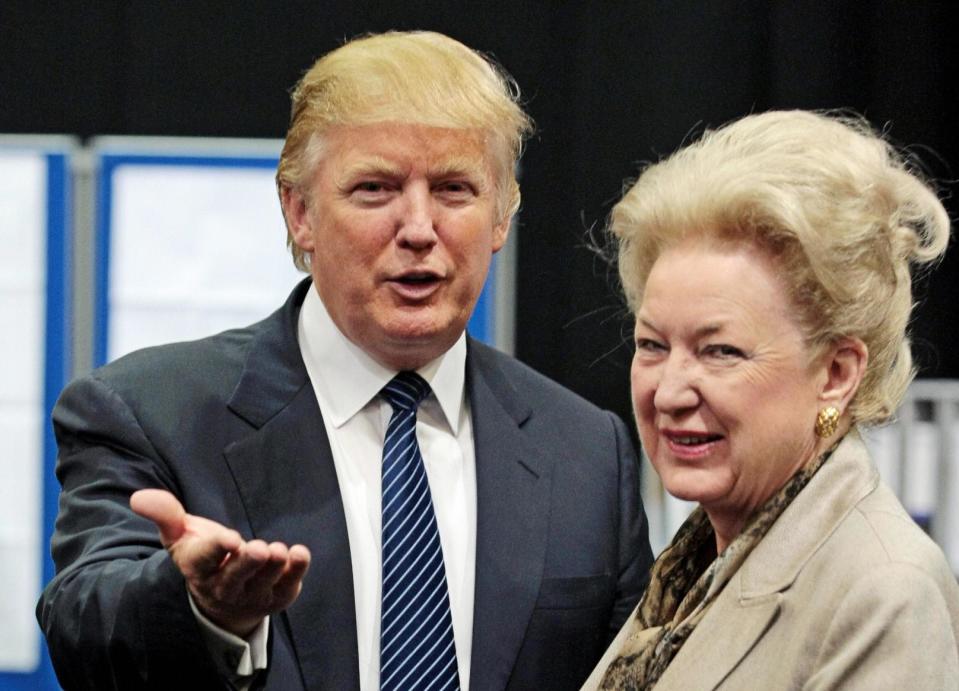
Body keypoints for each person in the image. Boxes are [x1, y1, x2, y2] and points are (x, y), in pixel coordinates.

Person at [37, 31, 653, 691]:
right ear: (299, 213)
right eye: (375, 189)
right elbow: (83, 630)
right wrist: (199, 607)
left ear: (501, 215)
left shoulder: (588, 451)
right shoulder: (149, 411)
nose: (418, 228)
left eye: (453, 189)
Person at [581, 110, 959, 690]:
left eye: (721, 352)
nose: (671, 392)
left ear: (835, 373)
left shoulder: (885, 591)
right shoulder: (696, 567)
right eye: (653, 345)